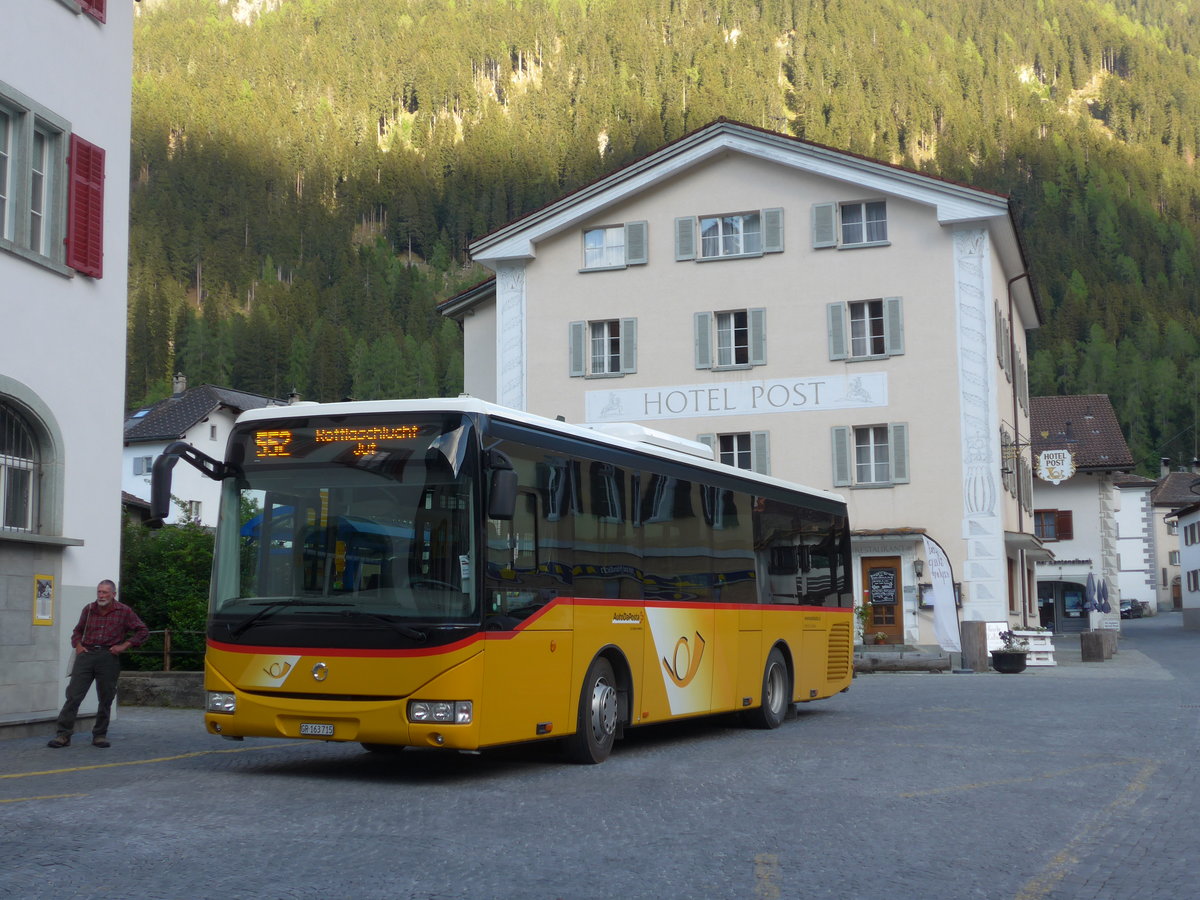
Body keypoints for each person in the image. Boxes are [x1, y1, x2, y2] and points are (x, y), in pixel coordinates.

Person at [47, 580, 148, 749]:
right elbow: (77, 631)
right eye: (99, 592)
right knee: (73, 695)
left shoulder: (124, 611)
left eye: (105, 592)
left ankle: (100, 735)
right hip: (86, 655)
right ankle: (63, 735)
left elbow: (142, 631)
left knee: (106, 697)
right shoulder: (89, 609)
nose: (101, 595)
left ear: (113, 594)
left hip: (108, 656)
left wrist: (124, 646)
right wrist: (78, 645)